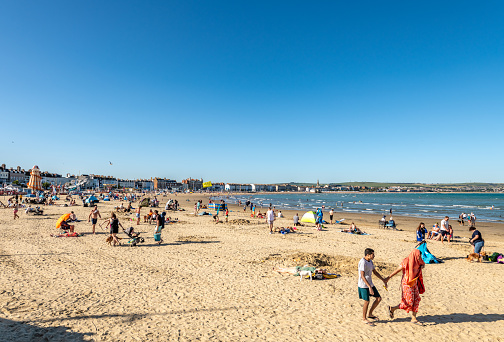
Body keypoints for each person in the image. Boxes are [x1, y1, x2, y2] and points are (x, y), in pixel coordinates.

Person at [387, 249, 425, 325]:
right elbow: (397, 270)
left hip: (414, 283)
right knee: (408, 302)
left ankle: (414, 318)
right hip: (407, 284)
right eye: (418, 256)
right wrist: (388, 277)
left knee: (417, 299)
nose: (419, 258)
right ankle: (393, 308)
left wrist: (422, 265)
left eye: (420, 256)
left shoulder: (419, 261)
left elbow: (423, 264)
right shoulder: (406, 261)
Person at [358, 248, 388, 326]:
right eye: (373, 254)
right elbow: (362, 276)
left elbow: (375, 272)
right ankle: (364, 319)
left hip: (370, 284)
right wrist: (369, 287)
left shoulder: (370, 261)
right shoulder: (363, 262)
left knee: (378, 298)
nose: (374, 256)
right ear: (368, 255)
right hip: (363, 285)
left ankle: (370, 314)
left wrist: (383, 279)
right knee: (367, 301)